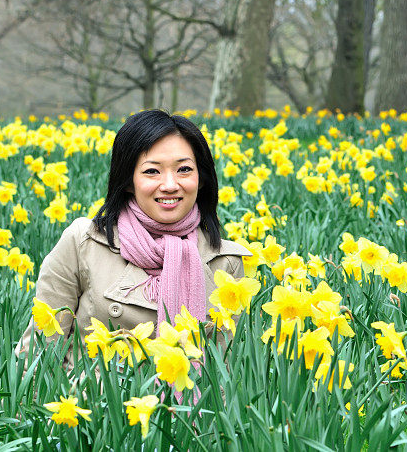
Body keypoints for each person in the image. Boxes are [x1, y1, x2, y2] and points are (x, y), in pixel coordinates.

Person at [16, 110, 250, 370]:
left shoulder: (225, 261)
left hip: (186, 408)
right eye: (152, 171)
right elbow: (36, 358)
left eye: (184, 169)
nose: (170, 184)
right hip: (89, 405)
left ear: (201, 179)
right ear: (128, 181)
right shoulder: (83, 242)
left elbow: (226, 372)